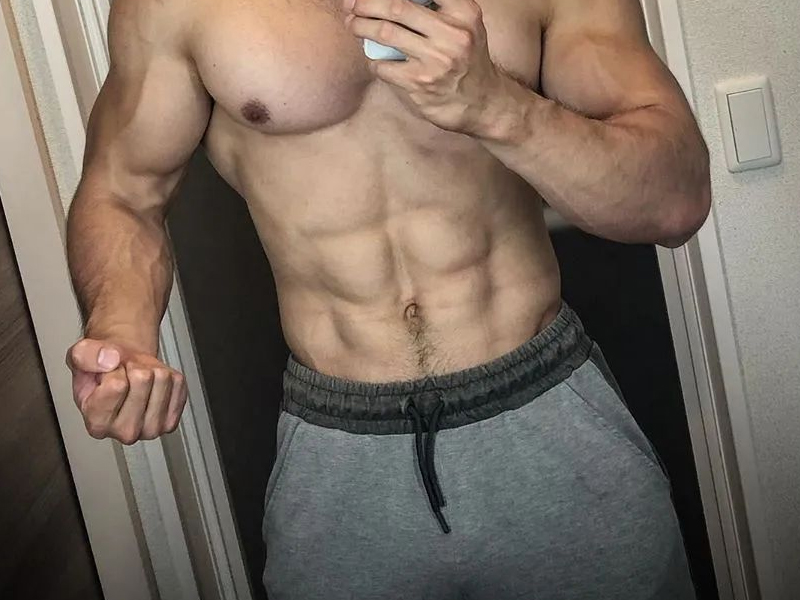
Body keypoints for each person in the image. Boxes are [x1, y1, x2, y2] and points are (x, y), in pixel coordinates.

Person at [64, 0, 711, 597]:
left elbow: (675, 200)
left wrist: (498, 106)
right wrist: (120, 332)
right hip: (341, 454)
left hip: (549, 419)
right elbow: (125, 192)